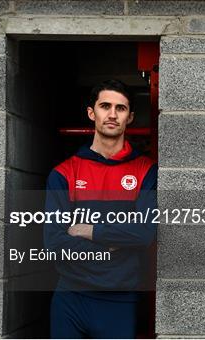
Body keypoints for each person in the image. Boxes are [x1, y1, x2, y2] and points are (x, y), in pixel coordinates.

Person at [44, 79, 157, 338]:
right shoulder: (64, 173)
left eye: (121, 108)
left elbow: (143, 234)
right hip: (70, 298)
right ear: (91, 113)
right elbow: (54, 242)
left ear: (130, 117)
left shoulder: (146, 171)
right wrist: (111, 248)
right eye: (105, 106)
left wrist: (90, 230)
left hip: (119, 299)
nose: (113, 114)